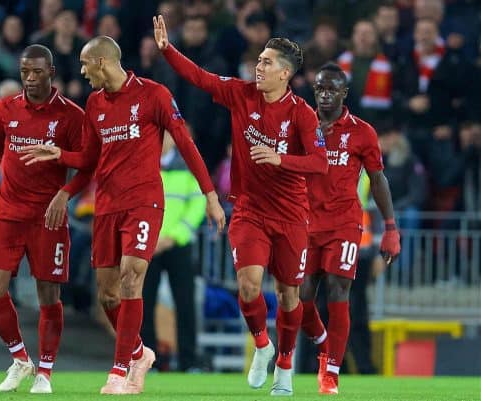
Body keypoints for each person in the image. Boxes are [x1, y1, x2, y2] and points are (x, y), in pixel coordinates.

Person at [19, 36, 226, 395]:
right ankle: (139, 353)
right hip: (108, 206)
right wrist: (60, 157)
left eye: (85, 65)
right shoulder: (95, 103)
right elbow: (89, 159)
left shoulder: (154, 95)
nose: (82, 72)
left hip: (145, 202)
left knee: (133, 278)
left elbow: (186, 144)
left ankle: (119, 370)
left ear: (101, 62)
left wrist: (210, 195)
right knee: (108, 296)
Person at [153, 15, 328, 396]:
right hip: (248, 210)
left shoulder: (302, 114)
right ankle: (262, 346)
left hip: (292, 215)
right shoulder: (241, 93)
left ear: (284, 74)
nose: (258, 67)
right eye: (259, 60)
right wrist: (168, 51)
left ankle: (284, 365)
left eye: (266, 62)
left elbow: (319, 162)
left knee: (288, 295)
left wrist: (282, 159)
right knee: (248, 287)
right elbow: (201, 78)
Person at [0, 44, 85, 394]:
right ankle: (19, 359)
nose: (29, 78)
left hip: (48, 216)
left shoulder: (71, 116)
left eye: (36, 72)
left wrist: (65, 192)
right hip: (7, 214)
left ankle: (44, 371)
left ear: (51, 73)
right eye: (24, 71)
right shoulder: (6, 108)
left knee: (48, 294)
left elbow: (89, 163)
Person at [300, 62, 401, 395]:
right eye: (320, 88)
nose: (325, 94)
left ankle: (330, 371)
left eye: (332, 89)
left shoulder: (362, 132)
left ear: (344, 93)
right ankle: (324, 342)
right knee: (299, 298)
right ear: (314, 91)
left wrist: (390, 228)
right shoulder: (301, 125)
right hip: (304, 223)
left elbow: (378, 178)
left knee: (337, 290)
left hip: (344, 223)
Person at [141, 130, 207, 372]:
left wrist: (173, 237)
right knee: (143, 305)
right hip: (148, 244)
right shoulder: (141, 165)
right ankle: (148, 362)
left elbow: (198, 204)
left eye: (166, 136)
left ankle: (188, 362)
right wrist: (149, 238)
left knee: (185, 303)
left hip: (177, 245)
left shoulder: (188, 165)